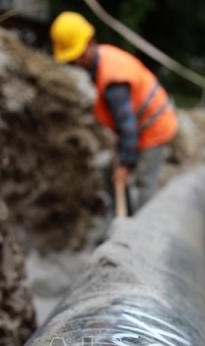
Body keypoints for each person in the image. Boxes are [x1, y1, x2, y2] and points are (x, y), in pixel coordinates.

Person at [50, 11, 178, 215]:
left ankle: (145, 230)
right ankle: (124, 218)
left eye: (79, 55)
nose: (76, 63)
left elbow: (127, 125)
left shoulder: (113, 80)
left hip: (154, 125)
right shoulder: (99, 63)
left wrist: (125, 164)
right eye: (72, 59)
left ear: (90, 42)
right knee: (113, 174)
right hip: (138, 124)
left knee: (144, 183)